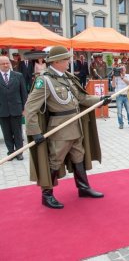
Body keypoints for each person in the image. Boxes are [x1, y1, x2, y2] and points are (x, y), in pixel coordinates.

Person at [24, 46, 112, 209]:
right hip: (60, 129)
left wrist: (100, 99)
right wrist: (35, 132)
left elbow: (81, 98)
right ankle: (47, 195)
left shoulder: (67, 77)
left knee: (79, 156)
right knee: (55, 160)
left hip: (76, 126)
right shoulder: (44, 81)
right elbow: (30, 109)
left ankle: (83, 188)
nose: (69, 61)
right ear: (56, 61)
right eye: (66, 59)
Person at [0, 56, 27, 161]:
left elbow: (24, 93)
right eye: (3, 64)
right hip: (2, 110)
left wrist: (25, 108)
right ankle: (11, 152)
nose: (6, 65)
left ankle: (19, 152)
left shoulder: (18, 76)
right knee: (7, 133)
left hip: (16, 108)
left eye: (7, 63)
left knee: (18, 133)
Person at [111, 64, 129, 129]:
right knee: (119, 111)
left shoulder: (128, 76)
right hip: (119, 96)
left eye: (123, 69)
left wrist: (122, 77)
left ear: (125, 70)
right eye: (121, 69)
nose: (122, 71)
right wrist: (114, 76)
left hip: (127, 96)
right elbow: (113, 86)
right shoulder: (117, 77)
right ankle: (121, 124)